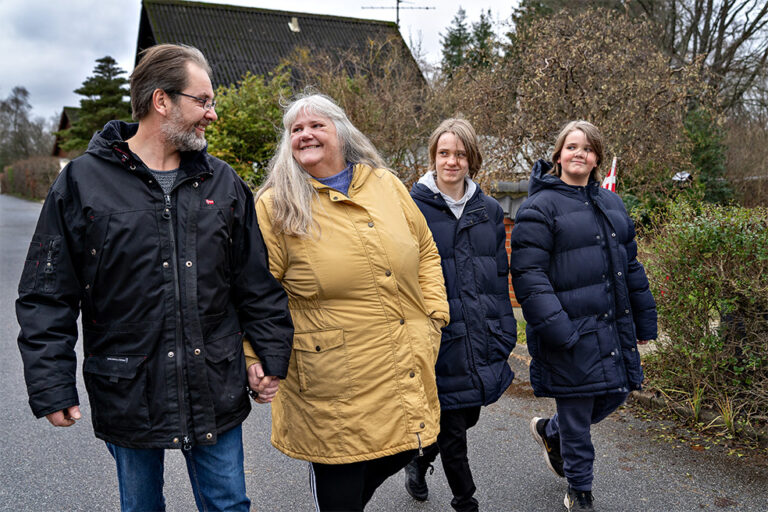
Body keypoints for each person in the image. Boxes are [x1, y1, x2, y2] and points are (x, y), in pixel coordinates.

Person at [16, 43, 294, 512]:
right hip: (129, 388)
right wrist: (51, 383)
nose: (212, 114)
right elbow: (47, 294)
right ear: (161, 100)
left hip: (214, 384)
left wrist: (270, 354)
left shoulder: (223, 184)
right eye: (202, 101)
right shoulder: (82, 183)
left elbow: (254, 282)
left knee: (229, 505)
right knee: (141, 507)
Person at [242, 92, 449, 512]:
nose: (306, 134)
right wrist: (253, 355)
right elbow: (255, 289)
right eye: (296, 129)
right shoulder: (276, 204)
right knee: (341, 477)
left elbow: (425, 248)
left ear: (341, 131)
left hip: (399, 357)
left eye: (317, 125)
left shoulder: (384, 184)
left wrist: (434, 313)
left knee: (407, 444)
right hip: (331, 373)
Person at [509, 120, 657, 512]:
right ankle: (580, 491)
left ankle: (550, 431)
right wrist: (559, 329)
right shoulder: (538, 207)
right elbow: (528, 275)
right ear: (558, 155)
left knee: (617, 391)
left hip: (609, 328)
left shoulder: (612, 203)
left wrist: (643, 321)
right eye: (572, 146)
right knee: (577, 413)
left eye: (588, 149)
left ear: (596, 159)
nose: (580, 153)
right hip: (568, 331)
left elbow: (631, 267)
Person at [405, 118, 517, 512]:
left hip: (481, 334)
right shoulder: (410, 207)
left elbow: (498, 274)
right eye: (444, 153)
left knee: (466, 415)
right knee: (453, 426)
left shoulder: (487, 210)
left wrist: (504, 330)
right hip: (437, 337)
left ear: (472, 159)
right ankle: (465, 500)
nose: (451, 161)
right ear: (433, 157)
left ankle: (419, 462)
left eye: (460, 154)